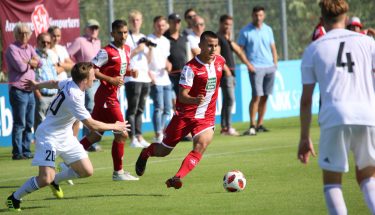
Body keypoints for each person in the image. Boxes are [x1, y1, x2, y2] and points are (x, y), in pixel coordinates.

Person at [5, 62, 129, 212]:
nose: (95, 78)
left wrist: (37, 85)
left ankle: (55, 181)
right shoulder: (74, 96)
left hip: (65, 136)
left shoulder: (72, 82)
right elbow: (92, 125)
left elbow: (54, 83)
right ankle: (14, 198)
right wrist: (115, 126)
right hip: (49, 137)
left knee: (86, 171)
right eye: (93, 76)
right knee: (45, 178)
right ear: (85, 80)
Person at [298, 0, 375, 214]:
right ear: (347, 17)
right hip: (368, 115)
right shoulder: (368, 43)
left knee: (332, 183)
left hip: (335, 116)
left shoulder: (314, 48)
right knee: (368, 178)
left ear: (321, 20)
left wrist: (305, 137)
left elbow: (306, 100)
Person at [135, 31, 225, 189]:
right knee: (163, 151)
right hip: (184, 116)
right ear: (200, 46)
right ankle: (146, 152)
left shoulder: (220, 62)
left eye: (215, 45)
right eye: (209, 45)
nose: (213, 49)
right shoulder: (190, 68)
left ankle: (177, 177)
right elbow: (182, 96)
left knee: (202, 144)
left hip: (206, 117)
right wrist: (195, 100)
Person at [79, 19, 139, 181]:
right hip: (107, 97)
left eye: (125, 32)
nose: (123, 35)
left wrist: (129, 73)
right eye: (120, 32)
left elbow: (119, 70)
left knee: (95, 135)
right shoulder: (106, 51)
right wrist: (110, 80)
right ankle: (118, 172)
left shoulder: (126, 49)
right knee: (122, 132)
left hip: (110, 96)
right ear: (112, 34)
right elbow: (91, 69)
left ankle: (67, 161)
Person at [237, 5, 278, 136]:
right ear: (252, 15)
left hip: (269, 67)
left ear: (263, 16)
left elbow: (273, 47)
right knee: (256, 96)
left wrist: (275, 63)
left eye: (260, 15)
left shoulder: (268, 30)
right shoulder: (245, 31)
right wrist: (248, 64)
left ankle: (260, 124)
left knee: (265, 96)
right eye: (256, 15)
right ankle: (252, 125)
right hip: (255, 67)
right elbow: (239, 50)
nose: (258, 17)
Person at [5, 23, 40, 160]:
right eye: (21, 33)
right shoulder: (12, 49)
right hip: (18, 89)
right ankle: (17, 152)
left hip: (30, 89)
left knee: (29, 122)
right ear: (16, 34)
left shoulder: (30, 48)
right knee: (20, 123)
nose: (24, 35)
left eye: (26, 33)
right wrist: (31, 62)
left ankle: (26, 150)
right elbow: (20, 67)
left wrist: (28, 61)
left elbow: (40, 62)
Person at [217, 14, 254, 136]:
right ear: (221, 24)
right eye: (226, 24)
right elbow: (217, 56)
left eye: (230, 25)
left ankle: (225, 128)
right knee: (230, 99)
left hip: (232, 73)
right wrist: (226, 69)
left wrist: (248, 64)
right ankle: (227, 127)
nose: (228, 27)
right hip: (226, 73)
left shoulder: (227, 39)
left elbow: (239, 51)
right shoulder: (218, 38)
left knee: (228, 101)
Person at [68, 19, 102, 151]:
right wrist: (77, 69)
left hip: (96, 79)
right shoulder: (80, 41)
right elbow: (68, 54)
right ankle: (88, 141)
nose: (94, 30)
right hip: (84, 80)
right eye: (92, 28)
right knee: (89, 108)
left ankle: (88, 141)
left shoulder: (98, 42)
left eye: (96, 28)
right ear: (86, 29)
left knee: (93, 108)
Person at [125, 10, 152, 148]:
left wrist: (150, 49)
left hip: (145, 77)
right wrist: (137, 49)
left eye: (138, 20)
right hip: (132, 77)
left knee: (141, 109)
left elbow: (148, 60)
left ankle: (139, 136)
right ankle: (132, 139)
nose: (136, 22)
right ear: (130, 21)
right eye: (133, 20)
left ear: (141, 21)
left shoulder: (144, 37)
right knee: (132, 109)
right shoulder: (127, 37)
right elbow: (124, 56)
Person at [164, 13, 193, 142]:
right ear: (169, 22)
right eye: (174, 21)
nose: (176, 23)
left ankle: (183, 131)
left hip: (183, 76)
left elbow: (189, 55)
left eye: (178, 21)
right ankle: (170, 132)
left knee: (183, 105)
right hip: (168, 76)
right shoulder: (164, 38)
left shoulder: (184, 38)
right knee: (171, 104)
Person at [147, 16, 173, 143]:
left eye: (163, 25)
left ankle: (162, 131)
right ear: (154, 25)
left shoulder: (166, 41)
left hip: (165, 78)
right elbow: (145, 60)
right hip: (154, 78)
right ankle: (158, 133)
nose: (160, 27)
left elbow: (165, 58)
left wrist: (168, 64)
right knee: (159, 108)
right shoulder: (148, 39)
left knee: (168, 109)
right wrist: (149, 75)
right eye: (158, 25)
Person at [34, 32, 58, 129]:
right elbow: (32, 77)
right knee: (41, 127)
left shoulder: (50, 56)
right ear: (38, 42)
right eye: (43, 42)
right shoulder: (34, 56)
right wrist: (39, 96)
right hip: (42, 96)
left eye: (48, 42)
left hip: (54, 96)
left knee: (53, 126)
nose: (46, 44)